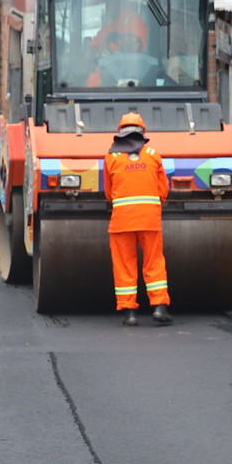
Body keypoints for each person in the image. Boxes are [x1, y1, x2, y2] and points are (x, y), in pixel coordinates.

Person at [103, 111, 172, 326]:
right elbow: (163, 191)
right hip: (149, 220)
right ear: (142, 133)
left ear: (120, 134)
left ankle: (129, 313)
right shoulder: (153, 155)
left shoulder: (111, 158)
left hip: (122, 221)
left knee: (124, 265)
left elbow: (108, 192)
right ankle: (159, 307)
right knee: (154, 262)